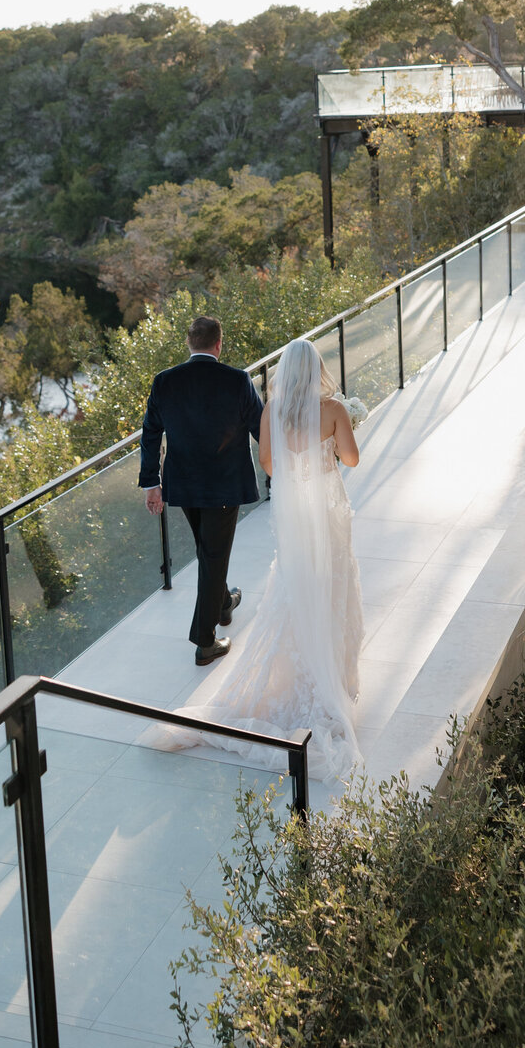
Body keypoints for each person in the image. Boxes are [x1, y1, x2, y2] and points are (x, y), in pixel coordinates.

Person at [164, 336, 365, 783]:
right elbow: (351, 457)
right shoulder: (332, 409)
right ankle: (336, 678)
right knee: (332, 582)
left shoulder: (271, 411)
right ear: (316, 370)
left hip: (293, 511)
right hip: (326, 509)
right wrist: (334, 443)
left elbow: (270, 465)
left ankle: (298, 670)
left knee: (294, 584)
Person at [139, 314, 263, 665]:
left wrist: (153, 483)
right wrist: (281, 465)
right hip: (223, 486)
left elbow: (150, 433)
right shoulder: (238, 380)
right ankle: (205, 641)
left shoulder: (165, 381)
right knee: (213, 554)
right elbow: (260, 426)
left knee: (209, 551)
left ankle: (223, 602)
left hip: (182, 485)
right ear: (219, 343)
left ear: (189, 343)